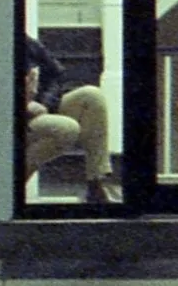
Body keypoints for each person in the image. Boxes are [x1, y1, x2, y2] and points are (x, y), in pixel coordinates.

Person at [20, 33, 117, 205]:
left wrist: (43, 103)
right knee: (66, 129)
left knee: (92, 96)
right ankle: (14, 184)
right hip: (13, 118)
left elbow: (56, 75)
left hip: (40, 107)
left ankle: (97, 181)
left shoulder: (25, 43)